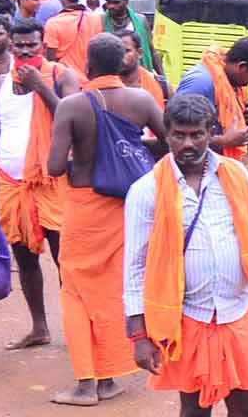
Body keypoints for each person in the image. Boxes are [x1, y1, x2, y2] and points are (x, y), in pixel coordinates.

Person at [124, 95, 248, 417]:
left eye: (197, 134)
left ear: (211, 132)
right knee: (195, 410)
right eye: (179, 135)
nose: (188, 143)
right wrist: (139, 336)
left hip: (238, 311)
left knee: (246, 408)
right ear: (164, 134)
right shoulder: (146, 190)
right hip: (187, 318)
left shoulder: (237, 175)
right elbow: (135, 267)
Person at [47, 34, 167, 406]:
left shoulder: (72, 105)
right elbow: (168, 143)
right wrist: (130, 151)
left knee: (77, 291)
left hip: (86, 207)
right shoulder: (143, 99)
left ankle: (86, 383)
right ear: (122, 64)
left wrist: (83, 160)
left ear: (88, 65)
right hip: (129, 206)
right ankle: (109, 375)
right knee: (117, 288)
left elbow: (53, 166)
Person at [0, 18, 79, 351]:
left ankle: (77, 328)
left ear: (43, 45)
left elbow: (72, 117)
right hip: (10, 183)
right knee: (24, 258)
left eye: (32, 45)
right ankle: (39, 327)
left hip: (53, 182)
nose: (25, 51)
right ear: (11, 45)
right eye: (19, 45)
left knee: (64, 258)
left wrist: (41, 86)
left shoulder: (61, 76)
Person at [174, 37, 248, 161]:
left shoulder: (229, 82)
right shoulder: (200, 83)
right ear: (242, 66)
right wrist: (224, 141)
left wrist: (242, 113)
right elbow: (174, 134)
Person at [44, 0, 103, 82]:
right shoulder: (96, 19)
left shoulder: (53, 23)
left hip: (62, 81)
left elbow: (50, 60)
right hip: (88, 82)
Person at [101, 0, 159, 73]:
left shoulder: (141, 20)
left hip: (138, 77)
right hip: (110, 76)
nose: (111, 6)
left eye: (116, 2)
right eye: (108, 2)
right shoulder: (100, 20)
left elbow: (151, 51)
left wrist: (163, 79)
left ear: (126, 1)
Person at [116, 29, 169, 111]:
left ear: (139, 53)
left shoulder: (162, 86)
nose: (121, 56)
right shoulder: (104, 89)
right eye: (117, 51)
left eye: (126, 51)